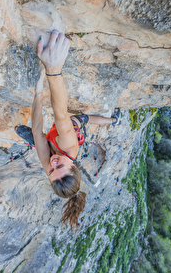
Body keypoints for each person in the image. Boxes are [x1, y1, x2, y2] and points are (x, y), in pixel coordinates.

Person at [15, 30, 120, 231]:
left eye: (52, 171)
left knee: (37, 139)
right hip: (71, 129)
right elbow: (60, 114)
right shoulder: (69, 147)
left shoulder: (51, 169)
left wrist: (38, 93)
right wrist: (52, 70)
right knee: (84, 119)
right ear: (73, 165)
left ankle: (109, 121)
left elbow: (37, 131)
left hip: (51, 138)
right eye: (59, 166)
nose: (53, 164)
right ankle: (112, 120)